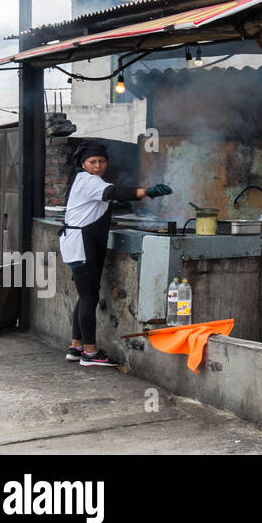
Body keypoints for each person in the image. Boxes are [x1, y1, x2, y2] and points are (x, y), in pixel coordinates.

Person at [61, 143, 172, 367]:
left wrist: (113, 200)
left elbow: (106, 197)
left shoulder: (85, 179)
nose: (98, 165)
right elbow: (115, 191)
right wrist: (146, 191)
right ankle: (90, 353)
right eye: (93, 162)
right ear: (84, 164)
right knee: (89, 298)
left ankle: (76, 346)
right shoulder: (89, 180)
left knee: (85, 296)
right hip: (81, 245)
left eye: (102, 161)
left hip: (78, 244)